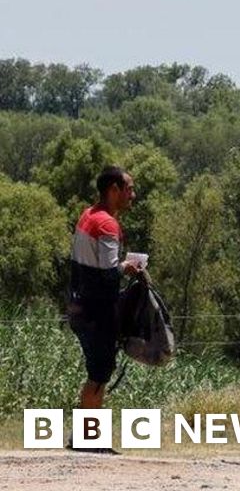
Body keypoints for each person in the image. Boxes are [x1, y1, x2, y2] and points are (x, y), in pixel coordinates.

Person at [67, 166, 140, 453]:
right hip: (96, 310)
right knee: (99, 373)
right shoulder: (108, 225)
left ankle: (83, 435)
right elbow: (110, 273)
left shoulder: (87, 215)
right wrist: (129, 267)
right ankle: (89, 439)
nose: (132, 195)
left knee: (96, 371)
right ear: (114, 189)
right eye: (129, 189)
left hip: (78, 304)